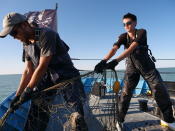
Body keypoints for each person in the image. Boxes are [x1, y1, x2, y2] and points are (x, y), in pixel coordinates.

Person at [0, 12, 87, 131]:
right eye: (11, 35)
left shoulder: (46, 34)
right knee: (37, 112)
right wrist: (18, 95)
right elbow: (28, 70)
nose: (14, 37)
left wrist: (28, 89)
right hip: (45, 79)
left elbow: (42, 65)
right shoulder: (25, 44)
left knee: (76, 113)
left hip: (67, 76)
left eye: (14, 32)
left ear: (25, 25)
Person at [94, 13, 174, 129]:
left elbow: (132, 47)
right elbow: (114, 48)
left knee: (159, 88)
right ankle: (120, 120)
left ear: (135, 23)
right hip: (131, 67)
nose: (126, 26)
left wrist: (116, 61)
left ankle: (169, 120)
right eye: (124, 24)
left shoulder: (142, 32)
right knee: (125, 93)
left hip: (147, 66)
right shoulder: (123, 36)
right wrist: (103, 61)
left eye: (128, 23)